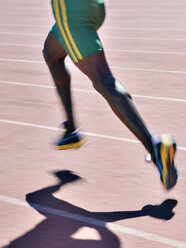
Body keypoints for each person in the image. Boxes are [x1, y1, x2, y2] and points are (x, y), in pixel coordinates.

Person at [42, 0, 178, 190]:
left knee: (103, 81)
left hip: (71, 10)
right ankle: (71, 131)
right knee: (51, 53)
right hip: (93, 7)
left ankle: (156, 148)